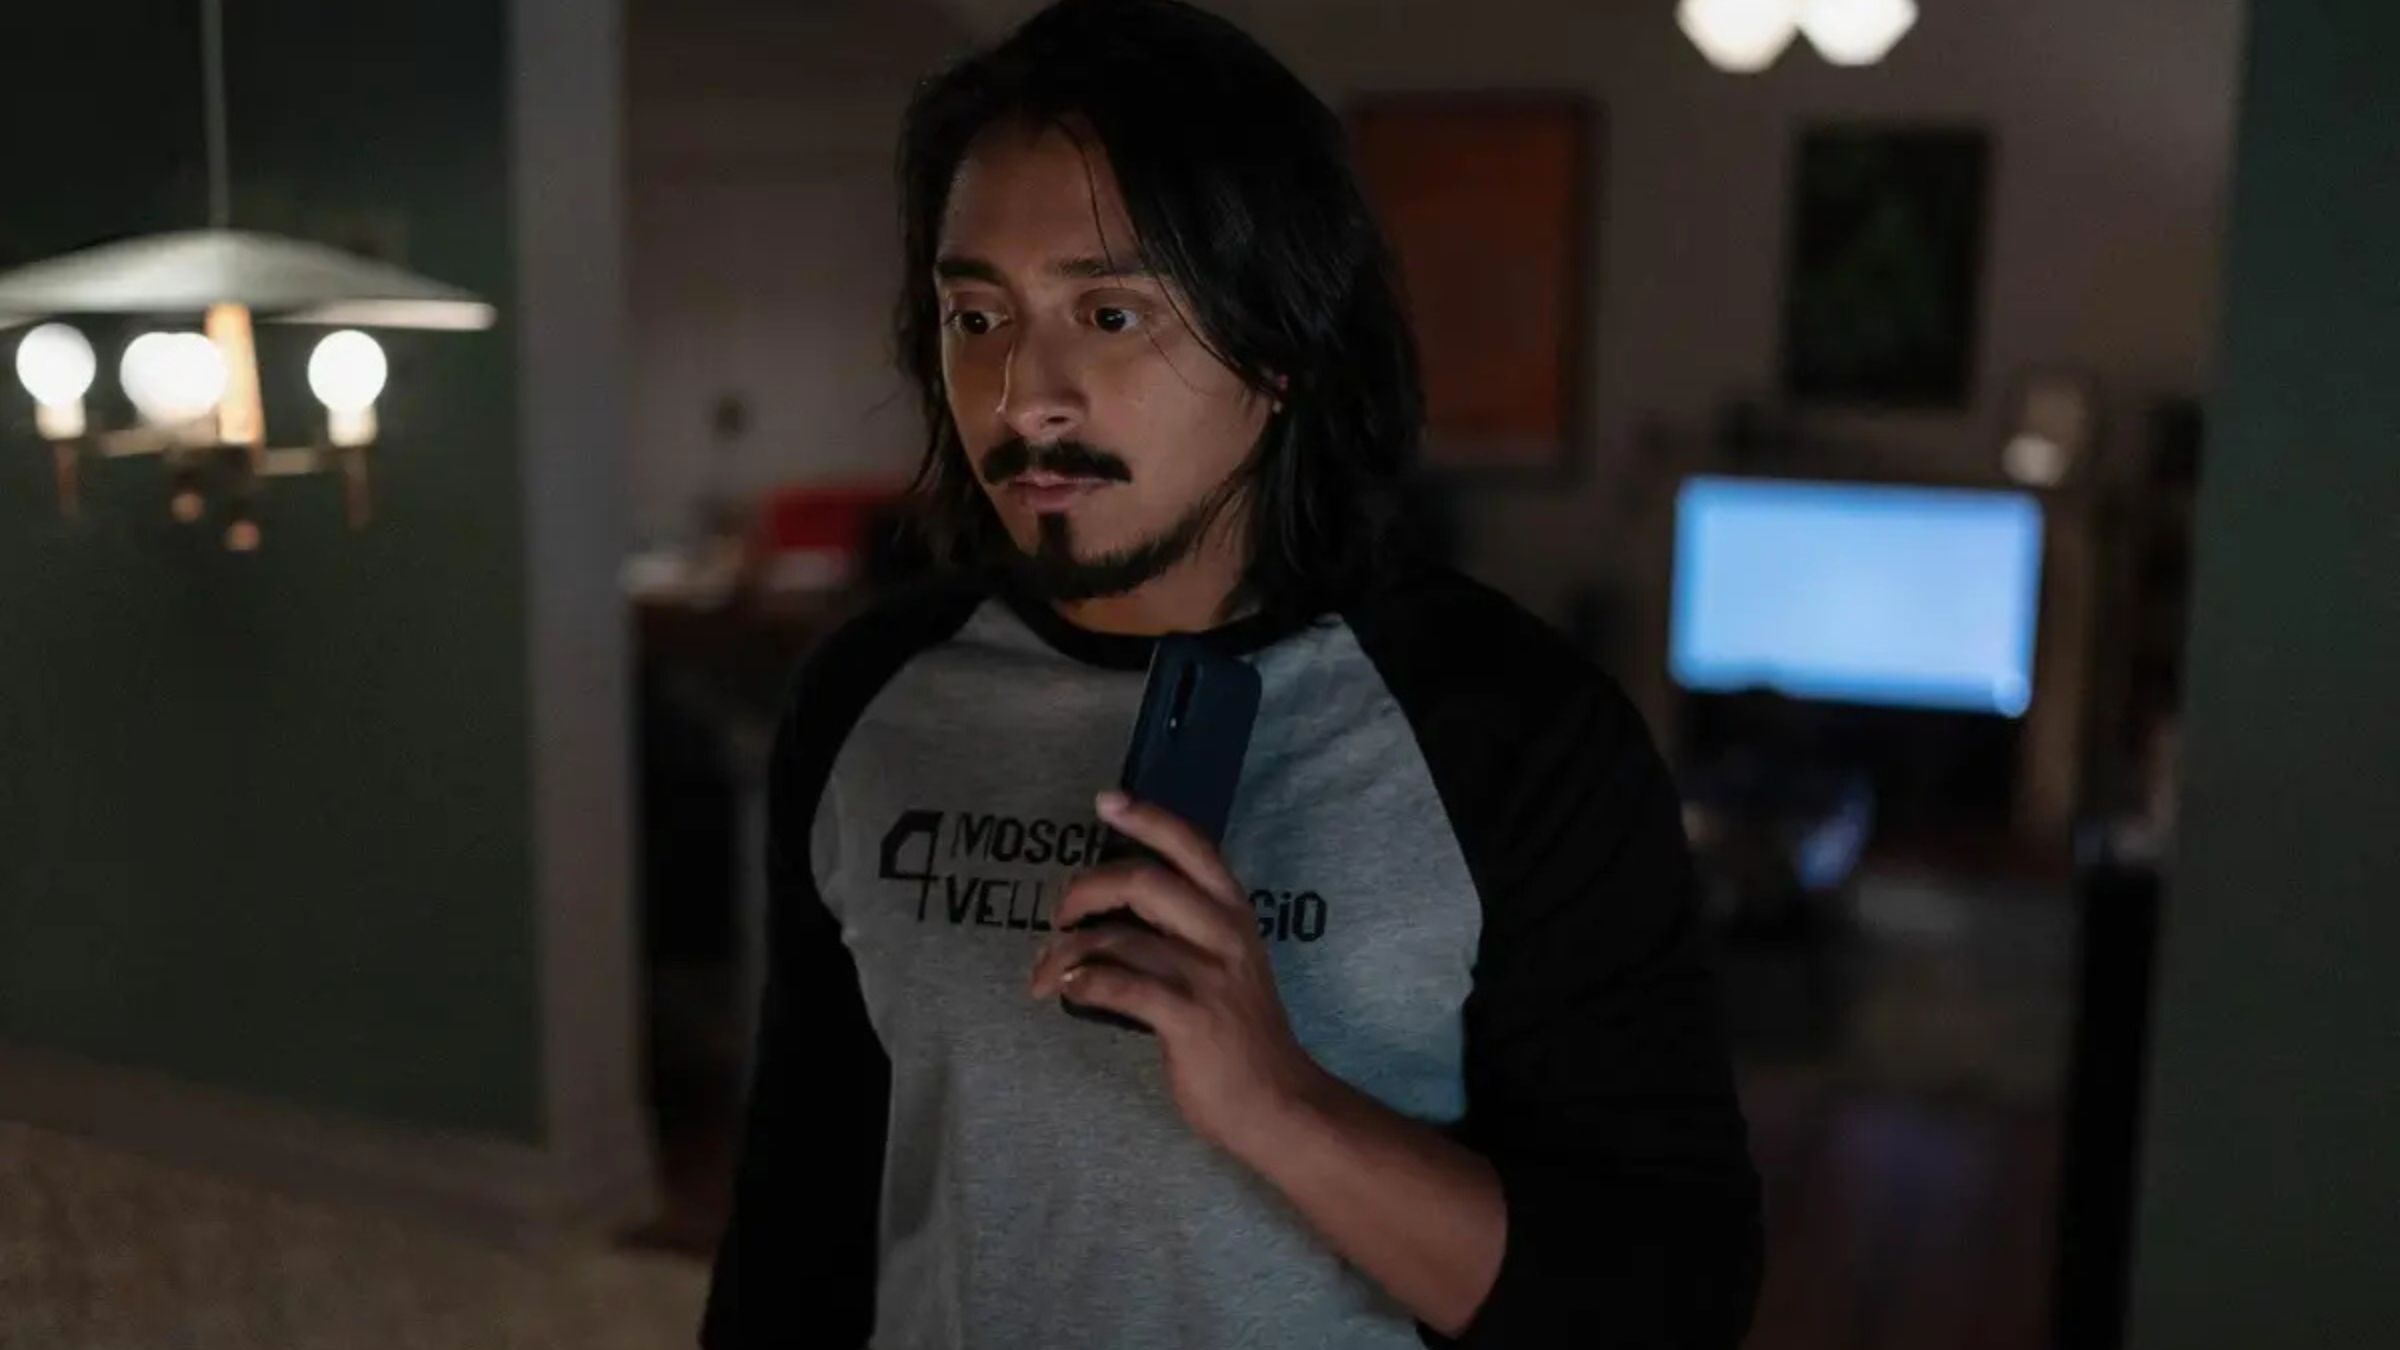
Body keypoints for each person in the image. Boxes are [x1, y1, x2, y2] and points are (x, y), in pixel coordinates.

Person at [699, 2, 1761, 1345]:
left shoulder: (1511, 734)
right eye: (976, 314)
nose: (1024, 395)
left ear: (1278, 347)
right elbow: (799, 1209)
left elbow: (1670, 1299)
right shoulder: (870, 697)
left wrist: (1276, 1100)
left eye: (1108, 312)